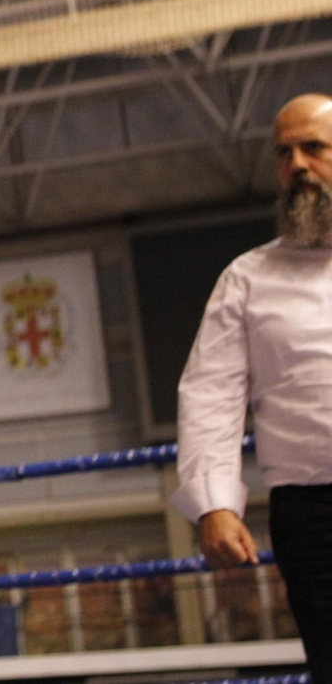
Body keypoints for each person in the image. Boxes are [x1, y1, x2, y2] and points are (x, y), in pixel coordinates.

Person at [173, 93, 332, 683]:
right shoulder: (247, 277)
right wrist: (214, 502)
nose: (297, 165)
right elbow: (211, 393)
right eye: (284, 153)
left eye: (313, 148)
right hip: (313, 514)